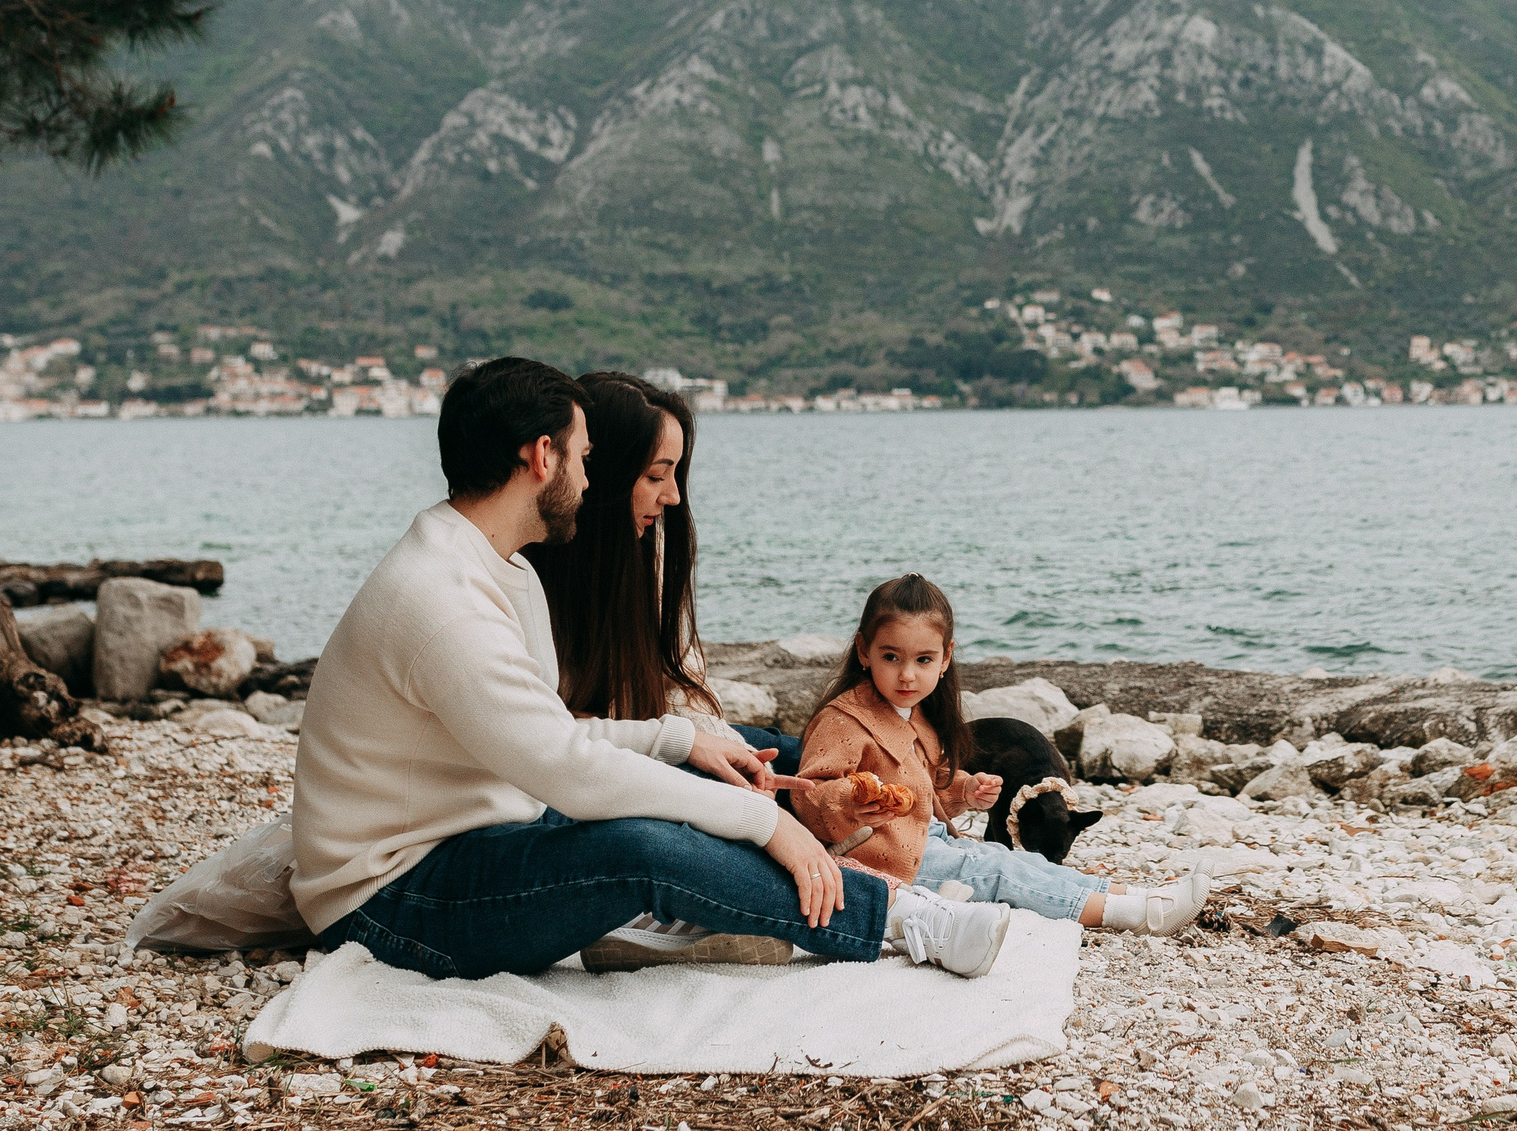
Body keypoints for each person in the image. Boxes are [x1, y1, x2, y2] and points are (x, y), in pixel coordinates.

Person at [288, 356, 1009, 980]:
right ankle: (898, 920)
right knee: (636, 846)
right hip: (389, 903)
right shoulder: (441, 599)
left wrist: (680, 739)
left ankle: (836, 888)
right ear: (541, 456)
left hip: (480, 837)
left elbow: (557, 737)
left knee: (705, 773)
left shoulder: (498, 568)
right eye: (582, 456)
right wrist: (768, 827)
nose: (587, 474)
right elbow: (568, 767)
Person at [794, 573, 1209, 934]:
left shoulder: (914, 714)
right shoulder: (844, 720)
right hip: (878, 854)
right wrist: (851, 798)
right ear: (864, 651)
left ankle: (1138, 893)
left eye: (923, 659)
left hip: (923, 837)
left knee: (998, 855)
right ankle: (1130, 913)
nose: (907, 674)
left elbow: (928, 781)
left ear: (945, 658)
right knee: (995, 872)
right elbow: (808, 793)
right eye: (891, 657)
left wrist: (965, 790)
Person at [526, 371, 799, 778]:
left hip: (656, 735)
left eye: (674, 475)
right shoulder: (527, 580)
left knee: (815, 755)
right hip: (602, 764)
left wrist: (728, 747)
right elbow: (548, 737)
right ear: (599, 475)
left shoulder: (640, 557)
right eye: (656, 475)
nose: (672, 496)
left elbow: (678, 682)